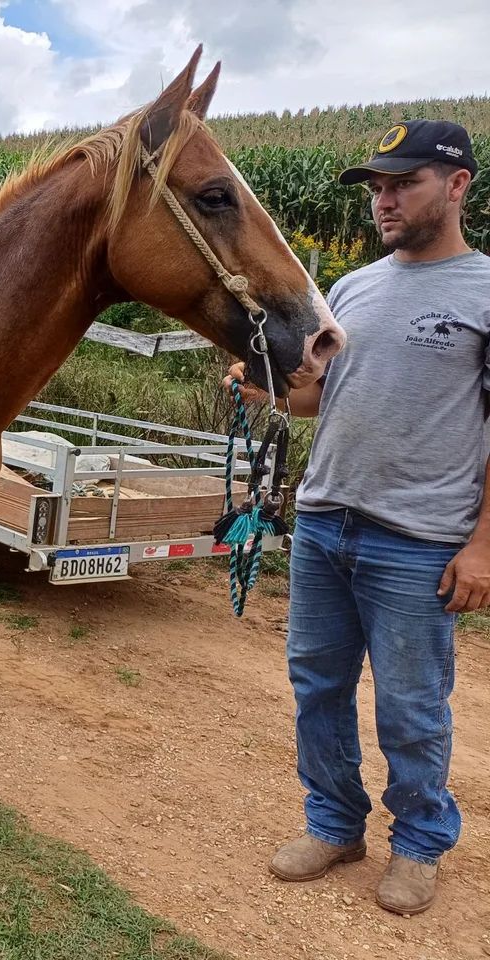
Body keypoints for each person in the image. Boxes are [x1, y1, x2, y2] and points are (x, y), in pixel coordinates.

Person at [226, 118, 489, 915]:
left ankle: (418, 843)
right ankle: (335, 822)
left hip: (418, 539)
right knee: (317, 687)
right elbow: (318, 400)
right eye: (376, 186)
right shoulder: (352, 288)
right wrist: (263, 383)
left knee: (410, 705)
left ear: (456, 185)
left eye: (402, 182)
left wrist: (482, 547)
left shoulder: (485, 290)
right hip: (325, 523)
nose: (384, 199)